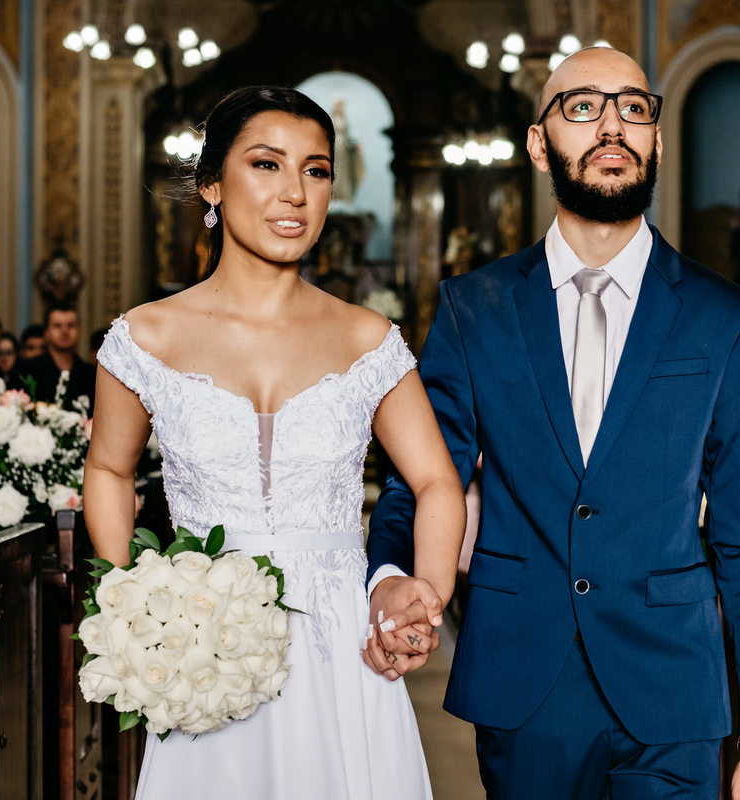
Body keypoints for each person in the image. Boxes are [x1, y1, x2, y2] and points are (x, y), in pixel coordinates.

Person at [366, 47, 740, 799]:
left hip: (673, 689)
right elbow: (422, 475)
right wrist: (390, 576)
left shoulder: (728, 317)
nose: (612, 126)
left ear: (655, 139)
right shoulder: (476, 308)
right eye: (582, 107)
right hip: (524, 679)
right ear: (540, 144)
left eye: (633, 107)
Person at [83, 86, 465, 799]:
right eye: (266, 165)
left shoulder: (367, 339)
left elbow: (437, 481)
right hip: (202, 645)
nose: (295, 193)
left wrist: (426, 589)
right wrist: (126, 599)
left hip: (340, 649)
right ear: (212, 185)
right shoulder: (146, 337)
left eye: (316, 171)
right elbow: (108, 467)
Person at [13, 303, 97, 409]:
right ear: (46, 332)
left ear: (79, 330)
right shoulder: (26, 370)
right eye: (57, 326)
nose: (65, 331)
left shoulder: (90, 374)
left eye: (70, 325)